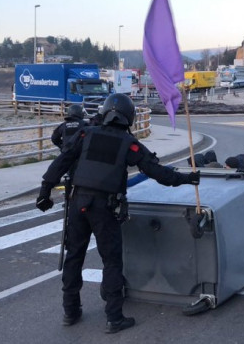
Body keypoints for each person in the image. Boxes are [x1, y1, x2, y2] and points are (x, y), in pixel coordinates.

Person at [35, 93, 200, 333]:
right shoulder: (128, 142)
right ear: (128, 117)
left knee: (74, 256)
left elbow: (61, 161)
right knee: (111, 261)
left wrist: (44, 191)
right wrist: (188, 179)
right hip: (105, 207)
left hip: (78, 201)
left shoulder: (85, 133)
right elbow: (157, 172)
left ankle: (70, 311)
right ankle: (114, 317)